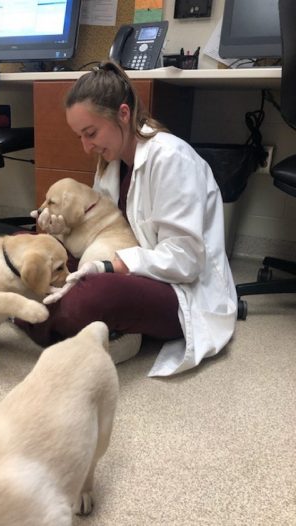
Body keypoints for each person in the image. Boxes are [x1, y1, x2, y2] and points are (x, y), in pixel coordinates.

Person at [19, 61, 237, 377]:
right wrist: (60, 231)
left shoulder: (170, 159)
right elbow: (97, 230)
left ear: (123, 114)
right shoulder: (111, 161)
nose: (85, 147)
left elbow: (185, 261)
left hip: (178, 288)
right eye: (80, 136)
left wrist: (113, 265)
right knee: (22, 246)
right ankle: (49, 315)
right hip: (121, 262)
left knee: (96, 295)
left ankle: (26, 311)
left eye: (90, 133)